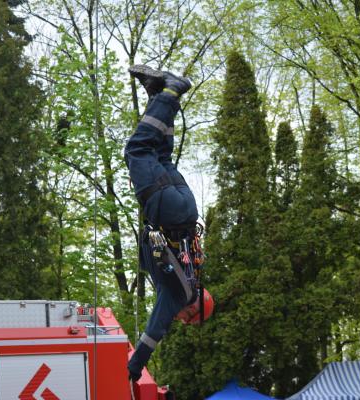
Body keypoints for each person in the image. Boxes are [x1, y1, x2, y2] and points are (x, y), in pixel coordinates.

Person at [125, 65, 214, 383]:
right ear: (192, 310)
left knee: (161, 155)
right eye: (185, 320)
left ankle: (158, 93)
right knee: (137, 149)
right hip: (168, 212)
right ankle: (173, 90)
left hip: (186, 209)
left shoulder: (193, 274)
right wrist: (135, 366)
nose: (179, 319)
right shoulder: (179, 294)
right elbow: (155, 329)